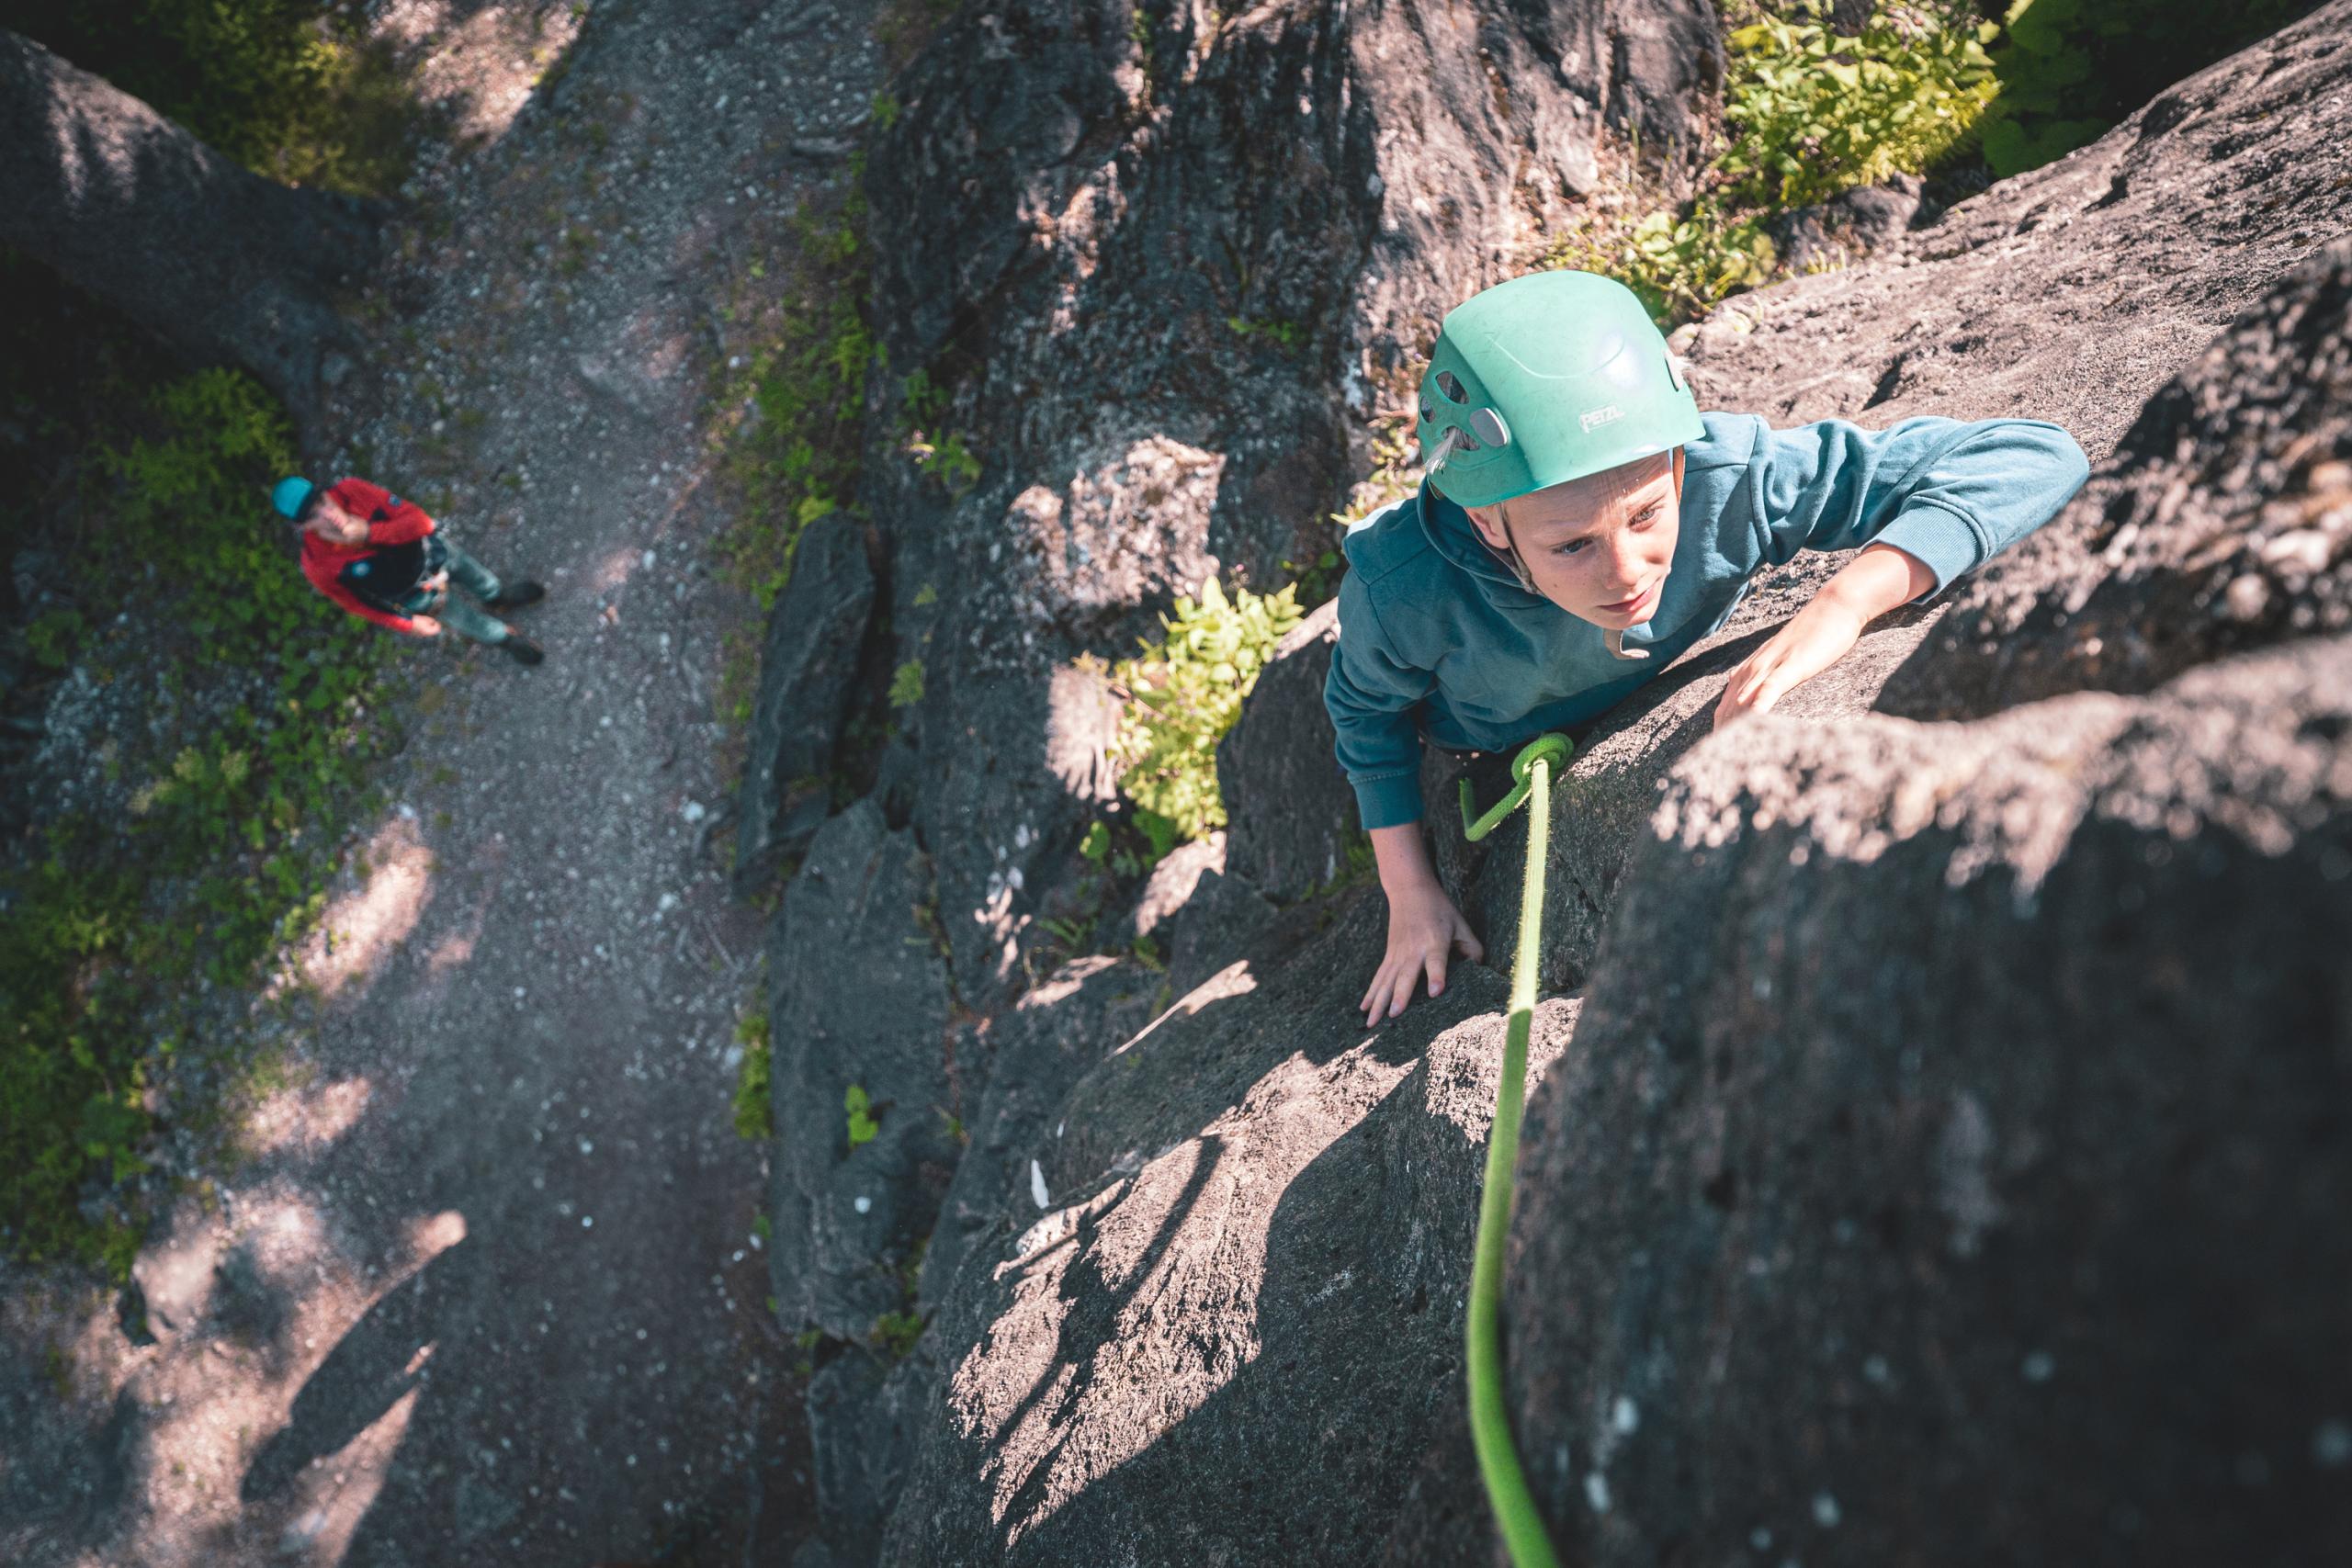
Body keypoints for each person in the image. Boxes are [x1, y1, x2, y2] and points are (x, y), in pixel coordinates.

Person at [1326, 269, 2091, 1025]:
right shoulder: (1401, 589)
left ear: (1678, 462)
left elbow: (2031, 455)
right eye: (1572, 546)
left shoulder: (1726, 478)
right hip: (1480, 734)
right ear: (1489, 524)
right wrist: (1409, 889)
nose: (1627, 574)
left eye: (1648, 513)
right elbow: (1366, 717)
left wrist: (1845, 603)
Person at [272, 475, 548, 664]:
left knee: (476, 575)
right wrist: (408, 623)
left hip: (434, 552)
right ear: (302, 527)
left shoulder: (353, 491)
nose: (327, 513)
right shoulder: (318, 565)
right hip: (417, 594)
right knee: (464, 619)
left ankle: (497, 597)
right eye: (312, 516)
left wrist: (369, 533)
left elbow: (420, 521)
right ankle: (503, 638)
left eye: (321, 501)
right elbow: (358, 604)